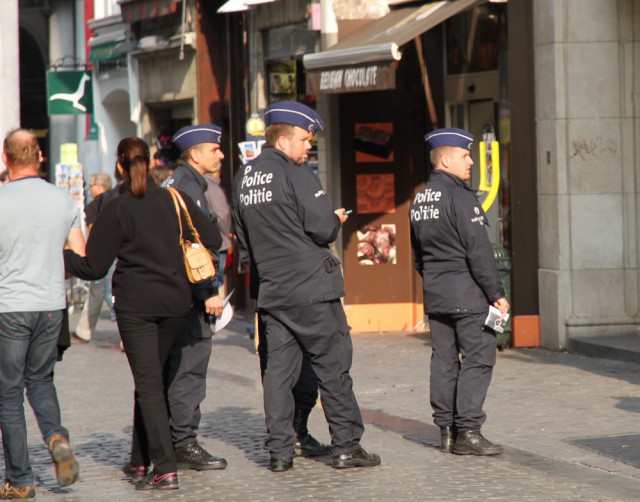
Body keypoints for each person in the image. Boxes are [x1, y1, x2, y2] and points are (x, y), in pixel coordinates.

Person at [64, 137, 222, 491]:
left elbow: (92, 266)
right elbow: (212, 236)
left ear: (121, 166)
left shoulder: (116, 208)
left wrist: (62, 258)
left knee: (149, 382)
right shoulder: (173, 199)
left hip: (136, 307)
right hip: (176, 304)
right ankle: (139, 460)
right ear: (148, 163)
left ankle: (164, 469)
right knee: (149, 378)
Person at [231, 101, 381, 472]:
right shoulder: (296, 173)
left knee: (277, 377)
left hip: (274, 292)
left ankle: (280, 453)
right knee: (333, 368)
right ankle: (346, 446)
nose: (308, 146)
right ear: (283, 142)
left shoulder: (244, 177)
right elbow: (322, 228)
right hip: (313, 290)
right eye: (304, 139)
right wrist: (333, 218)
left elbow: (244, 242)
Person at [409, 127, 510, 456]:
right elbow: (478, 251)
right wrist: (496, 292)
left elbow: (418, 256)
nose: (471, 161)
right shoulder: (461, 197)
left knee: (443, 360)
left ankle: (446, 430)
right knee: (479, 358)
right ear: (447, 159)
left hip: (437, 295)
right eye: (466, 155)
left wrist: (435, 283)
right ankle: (468, 430)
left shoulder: (420, 198)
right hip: (468, 295)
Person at [0, 129, 83, 499]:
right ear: (39, 157)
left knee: (8, 392)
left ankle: (20, 479)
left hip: (10, 305)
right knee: (42, 381)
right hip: (51, 305)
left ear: (6, 159)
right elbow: (77, 254)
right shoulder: (62, 199)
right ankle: (56, 438)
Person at [160, 125, 227, 471]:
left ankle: (175, 439)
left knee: (177, 368)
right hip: (191, 295)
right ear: (195, 154)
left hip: (174, 293)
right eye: (214, 150)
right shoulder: (189, 188)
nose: (221, 155)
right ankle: (184, 441)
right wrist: (208, 291)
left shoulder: (176, 183)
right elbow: (192, 243)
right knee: (189, 369)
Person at [72, 172, 116, 344]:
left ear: (99, 186)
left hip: (103, 254)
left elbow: (93, 231)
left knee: (105, 291)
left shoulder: (94, 205)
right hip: (119, 251)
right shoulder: (117, 197)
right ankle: (84, 330)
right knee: (99, 292)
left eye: (91, 185)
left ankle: (85, 331)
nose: (90, 189)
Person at [204, 169, 232, 297]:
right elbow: (223, 215)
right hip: (218, 242)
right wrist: (227, 234)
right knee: (217, 283)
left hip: (209, 242)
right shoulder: (212, 186)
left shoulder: (202, 184)